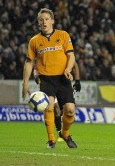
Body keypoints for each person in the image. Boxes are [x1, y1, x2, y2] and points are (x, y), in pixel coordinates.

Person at [22, 8, 77, 148]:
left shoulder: (63, 35)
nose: (44, 22)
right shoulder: (34, 41)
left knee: (70, 109)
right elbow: (29, 62)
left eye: (47, 19)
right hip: (45, 78)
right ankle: (51, 139)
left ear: (52, 21)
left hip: (63, 77)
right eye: (41, 20)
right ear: (38, 23)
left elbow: (71, 55)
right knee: (49, 105)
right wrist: (25, 83)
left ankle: (65, 134)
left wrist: (68, 69)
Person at [34, 61, 81, 142]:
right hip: (49, 83)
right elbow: (35, 70)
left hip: (63, 83)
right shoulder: (44, 56)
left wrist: (77, 80)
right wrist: (38, 80)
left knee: (67, 110)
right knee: (55, 108)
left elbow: (75, 65)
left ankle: (62, 132)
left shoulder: (64, 54)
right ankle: (56, 134)